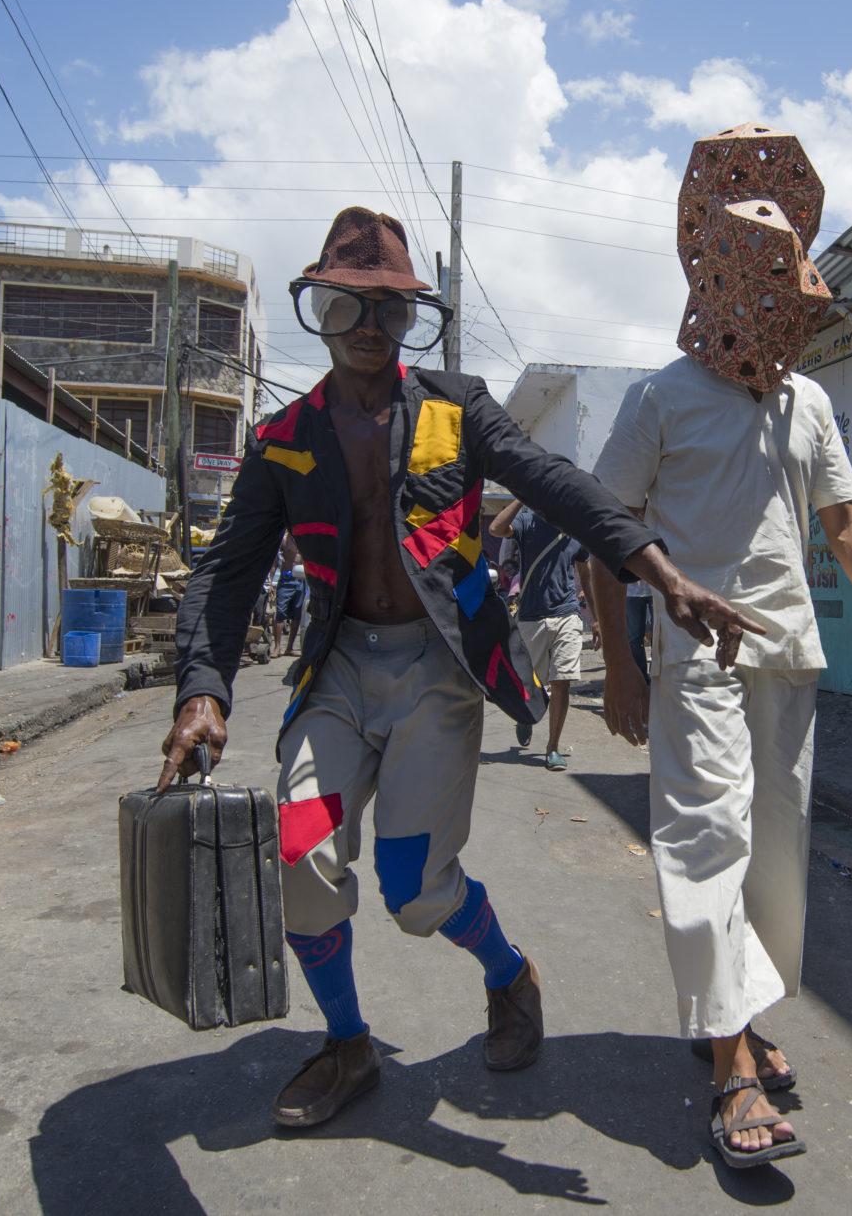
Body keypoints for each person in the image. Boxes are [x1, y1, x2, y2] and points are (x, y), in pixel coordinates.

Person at [162, 207, 755, 1131]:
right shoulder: (282, 438)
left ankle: (510, 973)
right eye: (349, 306)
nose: (369, 326)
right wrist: (202, 689)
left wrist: (661, 571)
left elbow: (558, 483)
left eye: (391, 310)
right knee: (300, 857)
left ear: (412, 321)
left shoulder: (455, 405)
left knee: (413, 890)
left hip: (438, 672)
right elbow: (228, 571)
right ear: (318, 308)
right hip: (339, 673)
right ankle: (348, 1041)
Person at [587, 124, 852, 1168]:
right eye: (772, 303)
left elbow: (841, 520)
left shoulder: (808, 401)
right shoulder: (659, 400)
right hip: (696, 664)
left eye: (796, 307)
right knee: (706, 843)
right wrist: (621, 665)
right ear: (728, 291)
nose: (787, 323)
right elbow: (607, 536)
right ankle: (730, 1063)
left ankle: (732, 1012)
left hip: (790, 657)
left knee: (776, 857)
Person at [489, 499, 591, 770]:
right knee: (529, 681)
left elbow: (585, 572)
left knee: (562, 681)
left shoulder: (574, 529)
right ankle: (525, 716)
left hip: (567, 613)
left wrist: (599, 620)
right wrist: (522, 496)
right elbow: (496, 529)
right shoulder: (527, 521)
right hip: (532, 616)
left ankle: (553, 747)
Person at [271, 535, 307, 657]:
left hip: (301, 580)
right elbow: (275, 561)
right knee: (280, 613)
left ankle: (289, 648)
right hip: (286, 579)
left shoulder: (305, 538)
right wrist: (270, 581)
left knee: (297, 615)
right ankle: (277, 648)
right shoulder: (285, 540)